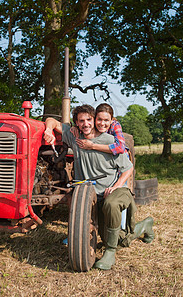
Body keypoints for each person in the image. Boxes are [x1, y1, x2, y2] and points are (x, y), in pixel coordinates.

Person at [44, 104, 154, 270]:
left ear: (94, 120)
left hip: (114, 190)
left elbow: (128, 167)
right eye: (81, 121)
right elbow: (52, 120)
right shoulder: (75, 137)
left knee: (111, 207)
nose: (86, 124)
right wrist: (47, 130)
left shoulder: (109, 142)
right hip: (91, 195)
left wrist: (117, 186)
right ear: (76, 123)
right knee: (120, 239)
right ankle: (144, 225)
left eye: (89, 120)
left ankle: (110, 252)